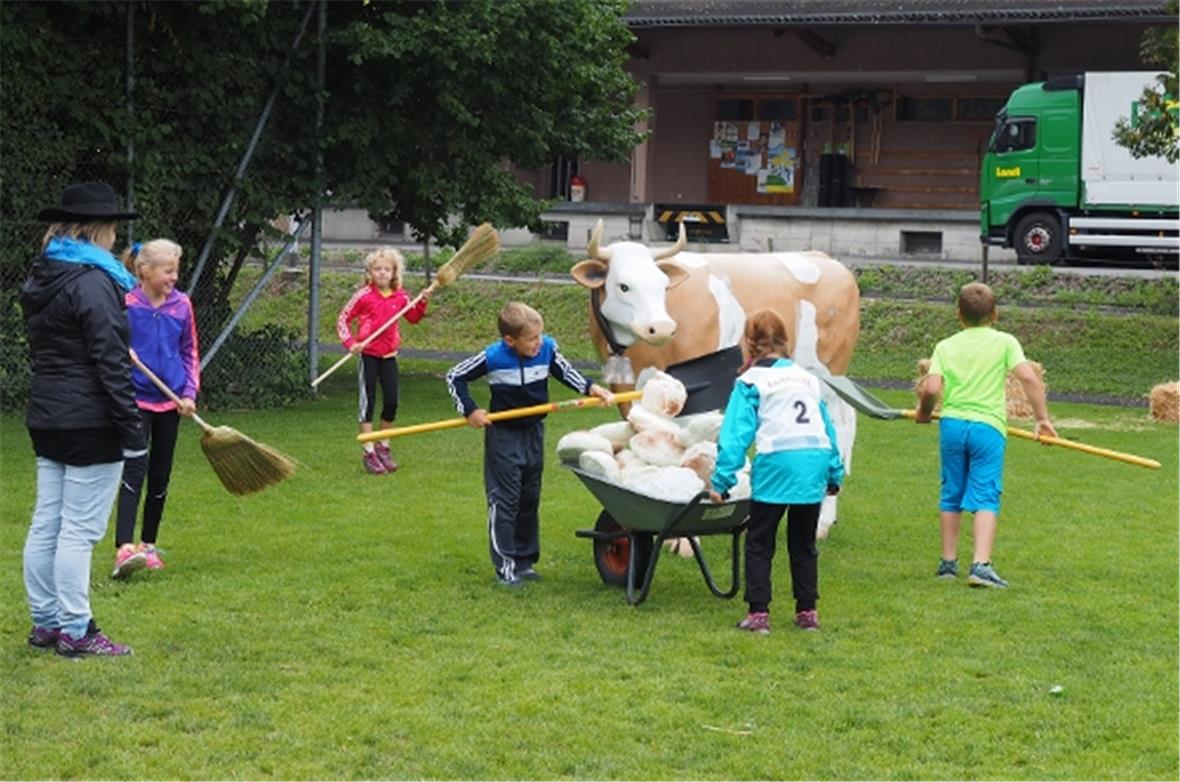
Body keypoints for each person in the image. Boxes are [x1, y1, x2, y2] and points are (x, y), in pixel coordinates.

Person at [21, 181, 145, 657]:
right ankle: (75, 629)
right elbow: (109, 362)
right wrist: (132, 430)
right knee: (77, 529)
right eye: (113, 228)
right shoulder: (93, 280)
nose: (116, 237)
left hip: (48, 414)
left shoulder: (44, 274)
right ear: (101, 230)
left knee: (48, 521)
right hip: (88, 419)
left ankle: (47, 622)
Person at [445, 302, 613, 587]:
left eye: (540, 336)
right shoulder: (493, 356)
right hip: (504, 435)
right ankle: (506, 567)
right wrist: (470, 410)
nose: (539, 343)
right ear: (510, 340)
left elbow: (564, 371)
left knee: (529, 498)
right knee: (505, 500)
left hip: (534, 431)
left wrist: (590, 387)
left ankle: (524, 562)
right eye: (531, 339)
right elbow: (454, 376)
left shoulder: (546, 349)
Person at [709, 309, 844, 634]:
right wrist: (834, 474)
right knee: (803, 543)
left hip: (778, 462)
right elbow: (827, 427)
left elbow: (735, 436)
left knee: (759, 541)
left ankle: (758, 614)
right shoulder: (807, 378)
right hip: (814, 460)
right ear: (785, 341)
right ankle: (807, 611)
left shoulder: (751, 381)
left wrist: (721, 482)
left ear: (749, 343)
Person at [916, 281, 1057, 589]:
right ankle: (980, 566)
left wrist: (924, 413)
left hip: (952, 425)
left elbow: (931, 387)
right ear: (995, 314)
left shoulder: (945, 346)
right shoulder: (1005, 342)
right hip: (988, 428)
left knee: (951, 491)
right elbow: (1029, 377)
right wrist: (1042, 418)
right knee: (985, 494)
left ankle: (948, 563)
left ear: (959, 315)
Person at [112, 239, 199, 578]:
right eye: (168, 270)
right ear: (144, 271)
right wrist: (124, 354)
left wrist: (189, 393)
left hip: (172, 401)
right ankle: (124, 548)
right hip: (136, 399)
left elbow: (190, 351)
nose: (174, 277)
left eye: (176, 270)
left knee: (160, 474)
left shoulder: (182, 305)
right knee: (134, 471)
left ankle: (148, 545)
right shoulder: (126, 304)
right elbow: (110, 345)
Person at [336, 248, 429, 474]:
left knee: (392, 402)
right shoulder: (363, 296)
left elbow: (413, 318)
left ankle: (383, 446)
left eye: (386, 269)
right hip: (367, 355)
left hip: (389, 357)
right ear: (370, 272)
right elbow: (343, 320)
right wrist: (350, 344)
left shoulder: (401, 296)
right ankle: (368, 452)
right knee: (367, 404)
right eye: (377, 269)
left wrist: (422, 302)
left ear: (394, 272)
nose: (382, 273)